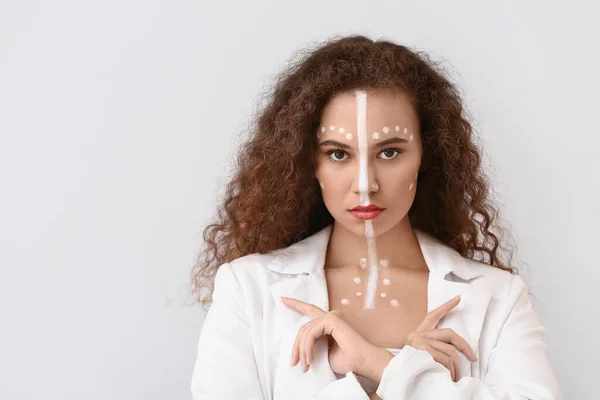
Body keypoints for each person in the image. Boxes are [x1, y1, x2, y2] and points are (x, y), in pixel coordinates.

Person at [188, 35, 562, 399]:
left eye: (389, 153)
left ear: (426, 156)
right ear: (309, 161)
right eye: (338, 154)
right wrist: (402, 382)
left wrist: (382, 366)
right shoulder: (247, 289)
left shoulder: (498, 297)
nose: (365, 184)